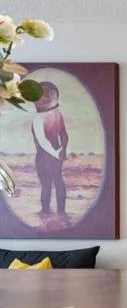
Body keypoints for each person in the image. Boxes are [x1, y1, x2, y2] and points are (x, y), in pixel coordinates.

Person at [31, 81, 69, 218]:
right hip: (53, 154)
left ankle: (49, 212)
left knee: (48, 184)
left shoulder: (42, 117)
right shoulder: (54, 114)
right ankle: (57, 212)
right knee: (55, 182)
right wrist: (61, 151)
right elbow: (60, 136)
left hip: (46, 156)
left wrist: (60, 151)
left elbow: (44, 141)